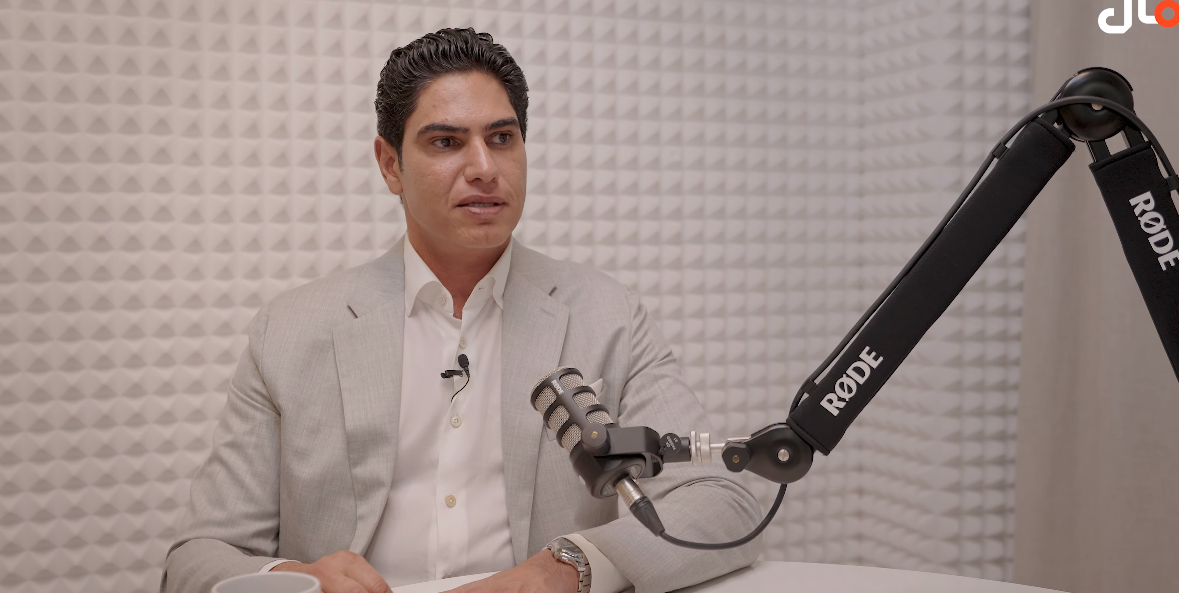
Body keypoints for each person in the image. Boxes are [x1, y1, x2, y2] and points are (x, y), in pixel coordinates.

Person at [161, 28, 762, 593]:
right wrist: (299, 578)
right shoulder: (290, 330)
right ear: (390, 165)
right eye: (446, 142)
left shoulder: (609, 316)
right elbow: (196, 559)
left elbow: (724, 505)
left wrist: (568, 568)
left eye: (502, 138)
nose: (484, 168)